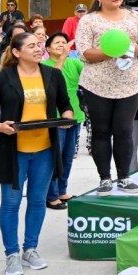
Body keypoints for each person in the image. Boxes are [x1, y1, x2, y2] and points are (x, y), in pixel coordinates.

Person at [0, 32, 73, 275]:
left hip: (44, 150)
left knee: (37, 201)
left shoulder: (53, 75)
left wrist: (66, 118)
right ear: (17, 52)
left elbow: (66, 105)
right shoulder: (2, 79)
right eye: (31, 46)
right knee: (10, 204)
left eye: (39, 45)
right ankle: (11, 254)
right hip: (13, 151)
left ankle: (30, 249)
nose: (38, 48)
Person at [75, 0, 138, 195]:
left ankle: (124, 177)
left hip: (128, 83)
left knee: (124, 131)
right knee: (100, 131)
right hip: (97, 84)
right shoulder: (89, 20)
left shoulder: (134, 16)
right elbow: (84, 52)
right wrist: (110, 51)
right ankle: (104, 178)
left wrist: (129, 49)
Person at [42, 33, 85, 210]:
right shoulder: (44, 66)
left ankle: (61, 190)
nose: (61, 45)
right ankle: (51, 195)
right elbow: (53, 82)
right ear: (48, 48)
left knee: (67, 158)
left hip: (75, 116)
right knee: (54, 158)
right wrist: (62, 58)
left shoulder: (74, 63)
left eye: (64, 42)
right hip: (55, 118)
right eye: (57, 43)